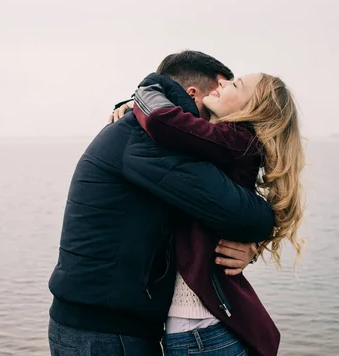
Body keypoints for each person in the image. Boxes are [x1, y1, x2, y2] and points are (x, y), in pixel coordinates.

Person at [47, 51, 276, 356]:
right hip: (106, 331)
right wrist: (257, 233)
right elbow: (246, 214)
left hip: (102, 321)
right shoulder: (146, 140)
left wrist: (249, 248)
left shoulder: (138, 130)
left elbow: (205, 212)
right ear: (194, 94)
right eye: (222, 87)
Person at [130, 71, 305, 355]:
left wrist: (148, 86)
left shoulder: (234, 141)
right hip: (204, 329)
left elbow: (162, 122)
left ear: (251, 110)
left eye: (234, 84)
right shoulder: (229, 145)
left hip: (200, 330)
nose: (221, 82)